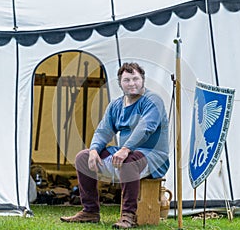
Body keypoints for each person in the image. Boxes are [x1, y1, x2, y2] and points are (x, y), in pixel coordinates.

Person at [60, 62, 170, 228]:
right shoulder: (116, 106)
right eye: (127, 80)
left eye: (135, 79)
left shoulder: (152, 101)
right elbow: (103, 130)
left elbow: (146, 128)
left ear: (143, 80)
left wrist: (126, 149)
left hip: (152, 155)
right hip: (125, 154)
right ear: (120, 83)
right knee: (82, 157)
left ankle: (128, 216)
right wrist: (94, 150)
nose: (132, 83)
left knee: (129, 161)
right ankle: (90, 211)